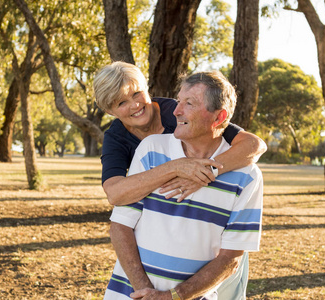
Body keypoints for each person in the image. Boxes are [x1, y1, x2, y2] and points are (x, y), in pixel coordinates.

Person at [103, 71, 263, 299]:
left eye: (189, 103)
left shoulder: (247, 176)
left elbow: (231, 258)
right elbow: (118, 213)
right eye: (121, 103)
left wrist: (172, 297)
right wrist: (145, 292)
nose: (176, 111)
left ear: (218, 118)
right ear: (111, 111)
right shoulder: (148, 149)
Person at [93, 62, 266, 205]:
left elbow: (254, 145)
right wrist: (176, 167)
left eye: (137, 93)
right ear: (110, 111)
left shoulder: (178, 112)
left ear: (147, 89)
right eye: (122, 102)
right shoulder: (115, 137)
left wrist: (205, 172)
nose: (135, 105)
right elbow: (115, 194)